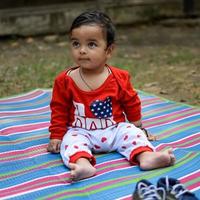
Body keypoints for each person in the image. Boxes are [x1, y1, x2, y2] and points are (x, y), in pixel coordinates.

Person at [47, 10, 175, 181]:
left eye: (91, 44)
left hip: (114, 130)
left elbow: (131, 101)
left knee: (131, 133)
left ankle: (146, 156)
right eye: (76, 44)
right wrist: (56, 135)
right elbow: (59, 108)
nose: (82, 50)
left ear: (109, 50)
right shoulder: (65, 80)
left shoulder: (119, 77)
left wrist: (137, 125)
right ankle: (83, 164)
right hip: (81, 131)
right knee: (69, 141)